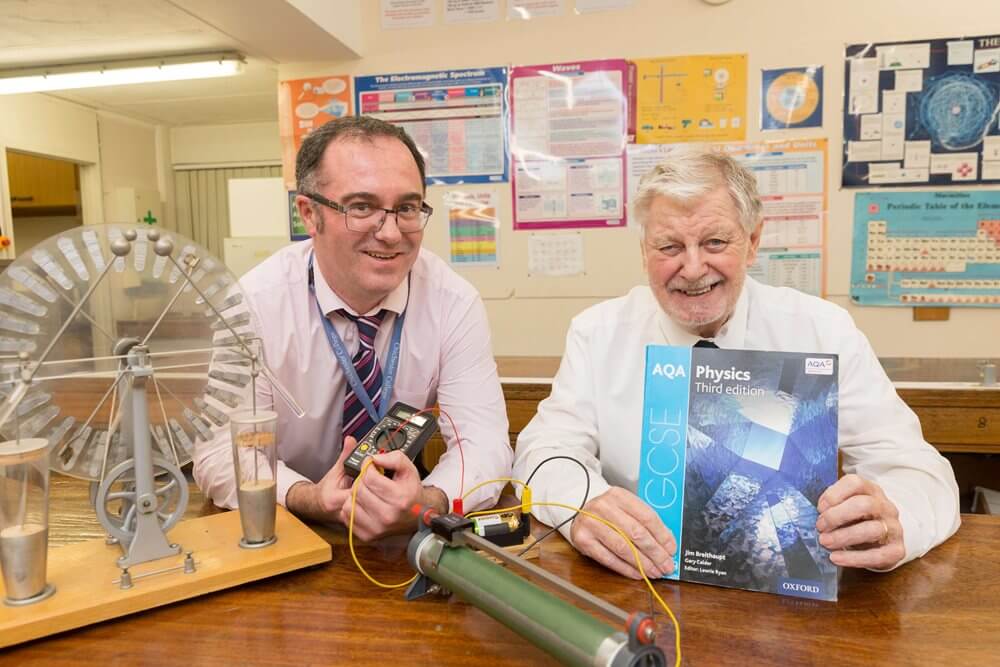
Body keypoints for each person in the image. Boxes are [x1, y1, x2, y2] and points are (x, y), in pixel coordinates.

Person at [513, 149, 960, 579]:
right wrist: (583, 505)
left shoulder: (822, 330)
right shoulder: (597, 334)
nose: (691, 268)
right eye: (668, 246)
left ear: (752, 242)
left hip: (784, 599)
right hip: (638, 582)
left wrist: (895, 519)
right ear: (644, 252)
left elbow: (918, 469)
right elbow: (543, 451)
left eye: (715, 242)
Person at [194, 116, 512, 540]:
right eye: (362, 207)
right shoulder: (253, 305)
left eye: (407, 207)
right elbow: (222, 451)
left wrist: (428, 501)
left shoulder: (453, 303)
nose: (391, 233)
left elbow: (484, 443)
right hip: (290, 529)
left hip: (402, 538)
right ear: (309, 213)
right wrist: (308, 498)